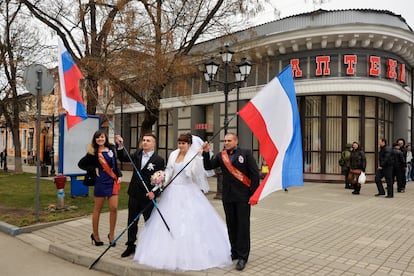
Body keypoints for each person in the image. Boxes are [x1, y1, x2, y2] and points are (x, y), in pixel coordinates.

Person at [134, 133, 232, 271]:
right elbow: (169, 170)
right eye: (179, 143)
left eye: (183, 143)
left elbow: (197, 174)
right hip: (172, 191)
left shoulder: (194, 156)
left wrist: (198, 157)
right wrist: (161, 179)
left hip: (187, 190)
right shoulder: (174, 154)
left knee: (187, 221)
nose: (181, 146)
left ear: (189, 144)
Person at [202, 132, 260, 271]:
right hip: (227, 196)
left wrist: (253, 194)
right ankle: (234, 252)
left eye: (229, 140)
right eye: (225, 140)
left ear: (236, 141)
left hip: (242, 197)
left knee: (242, 226)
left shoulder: (245, 153)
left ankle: (243, 256)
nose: (226, 142)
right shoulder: (222, 156)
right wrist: (205, 153)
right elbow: (208, 166)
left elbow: (254, 174)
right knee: (231, 225)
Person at [115, 133, 165, 258]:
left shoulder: (159, 160)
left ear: (154, 144)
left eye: (148, 141)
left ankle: (151, 245)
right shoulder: (137, 154)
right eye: (143, 140)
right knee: (132, 220)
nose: (145, 142)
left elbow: (161, 179)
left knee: (149, 221)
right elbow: (123, 158)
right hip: (134, 193)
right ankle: (130, 245)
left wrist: (155, 192)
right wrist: (120, 146)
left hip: (148, 195)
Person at [78, 130, 122, 246]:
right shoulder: (93, 151)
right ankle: (95, 235)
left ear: (105, 138)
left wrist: (119, 175)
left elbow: (116, 164)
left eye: (102, 137)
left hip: (112, 181)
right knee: (98, 209)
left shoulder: (111, 148)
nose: (100, 139)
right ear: (95, 140)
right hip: (100, 182)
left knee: (114, 208)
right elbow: (81, 164)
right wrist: (93, 169)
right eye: (97, 138)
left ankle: (111, 235)